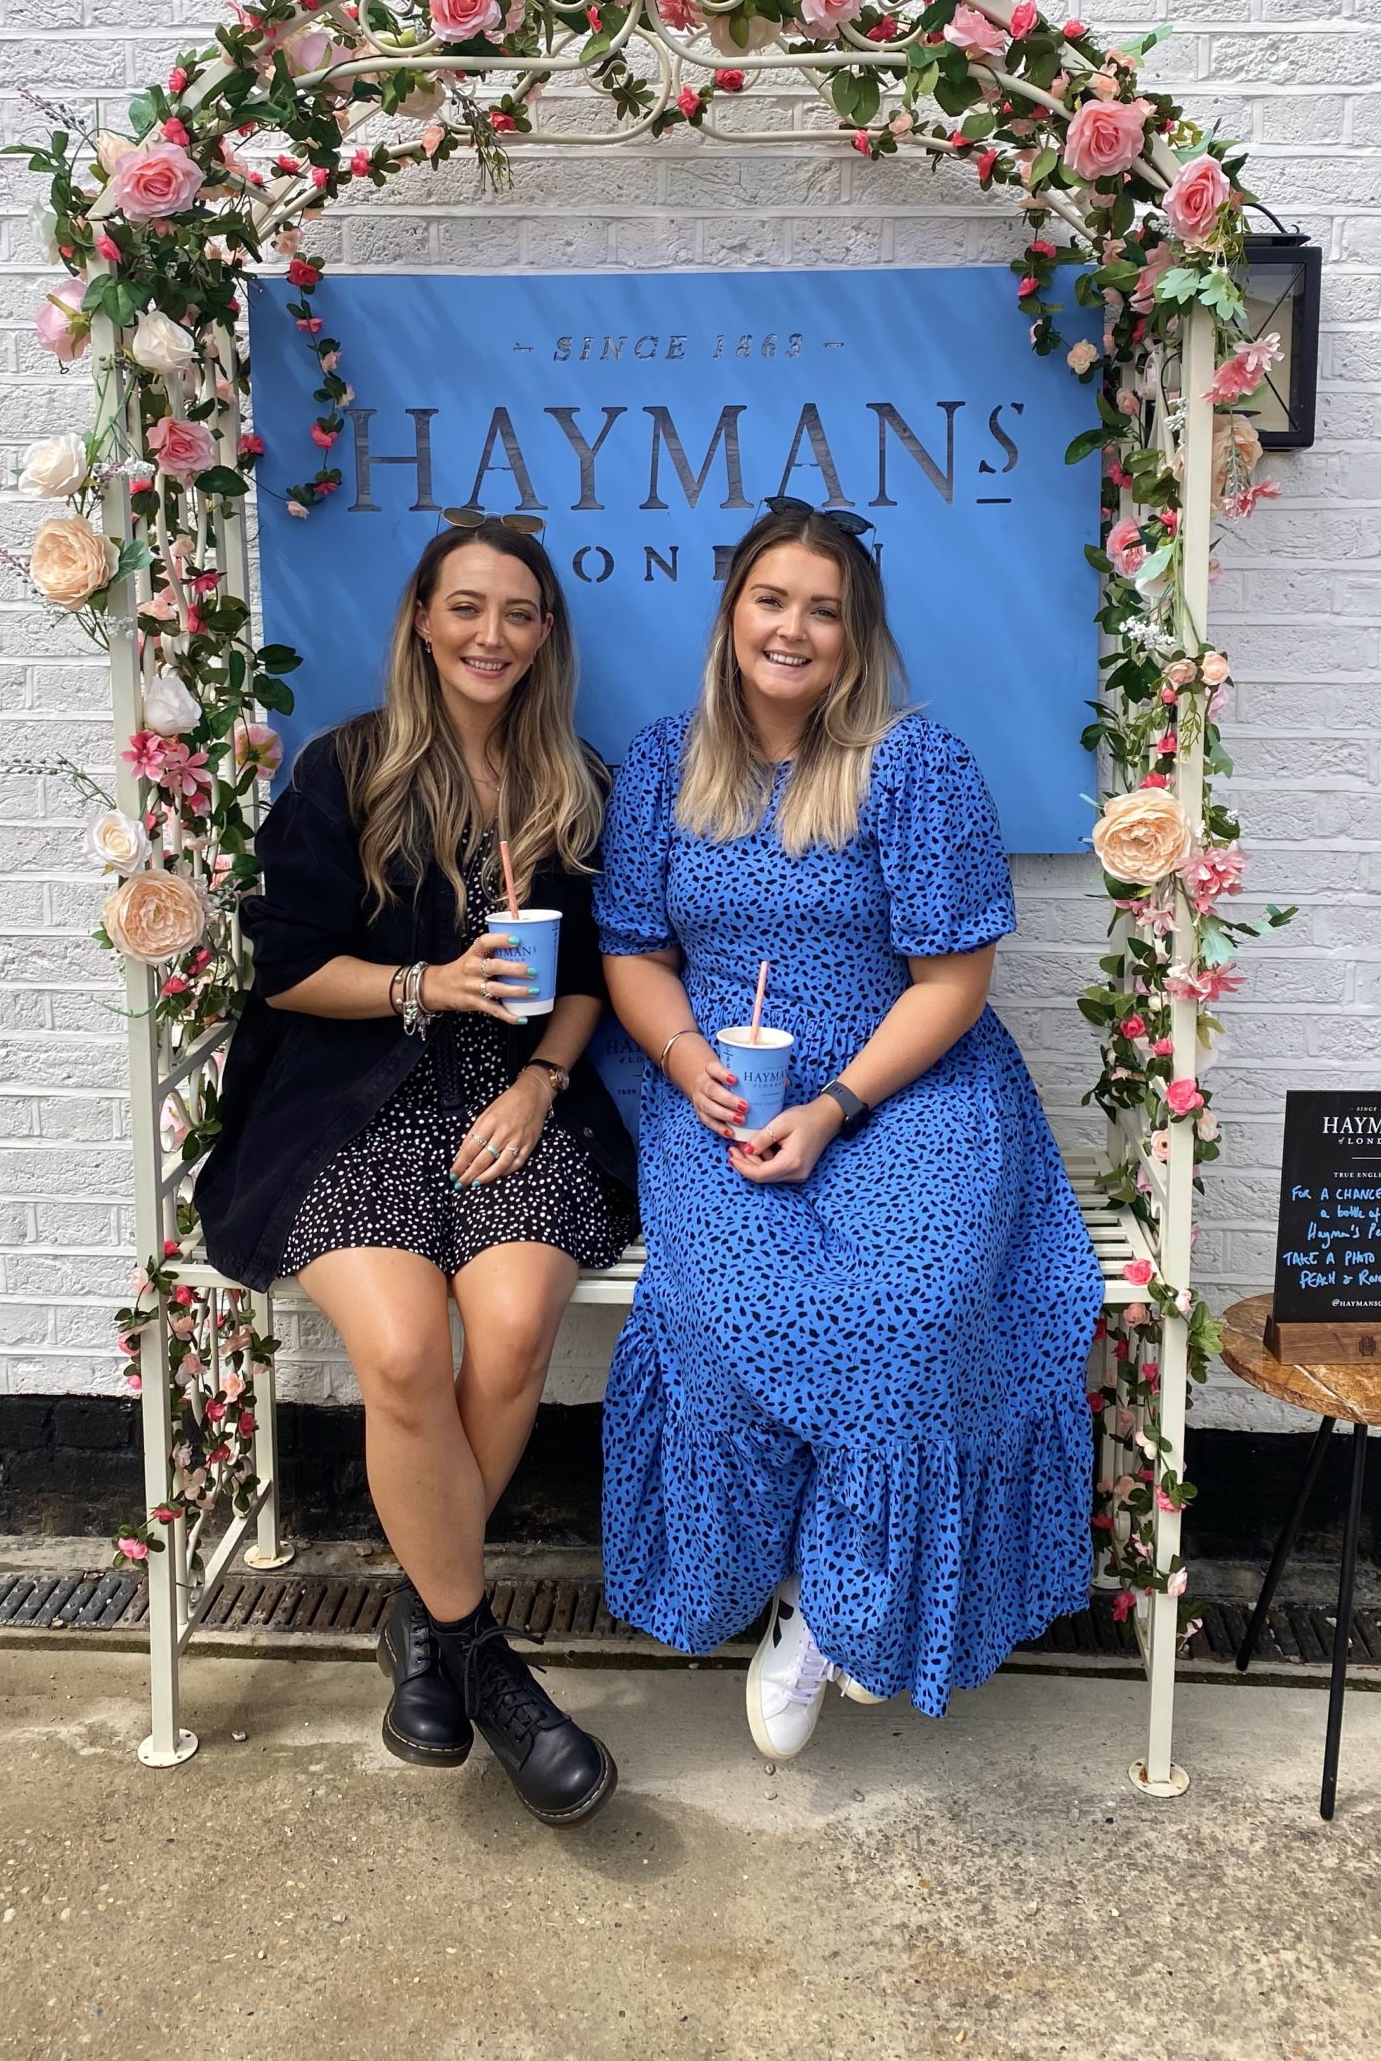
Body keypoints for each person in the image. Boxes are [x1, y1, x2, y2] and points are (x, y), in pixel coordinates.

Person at [595, 498, 1104, 1755]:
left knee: (921, 1302)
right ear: (731, 615)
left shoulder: (915, 766)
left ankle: (842, 1603)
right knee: (728, 1301)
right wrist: (686, 1060)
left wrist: (837, 1106)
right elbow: (633, 950)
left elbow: (953, 980)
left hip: (907, 1084)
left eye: (823, 610)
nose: (794, 628)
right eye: (772, 600)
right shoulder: (664, 764)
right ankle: (779, 1579)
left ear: (856, 633)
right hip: (722, 1088)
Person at [196, 516, 634, 1826]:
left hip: (512, 1100)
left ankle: (421, 1620)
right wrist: (425, 984)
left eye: (518, 612)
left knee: (511, 1328)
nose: (492, 634)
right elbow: (286, 969)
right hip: (355, 1098)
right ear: (424, 622)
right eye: (468, 608)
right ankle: (483, 1656)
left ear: (544, 634)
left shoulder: (573, 782)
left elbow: (592, 977)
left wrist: (542, 1081)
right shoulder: (349, 769)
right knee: (397, 1355)